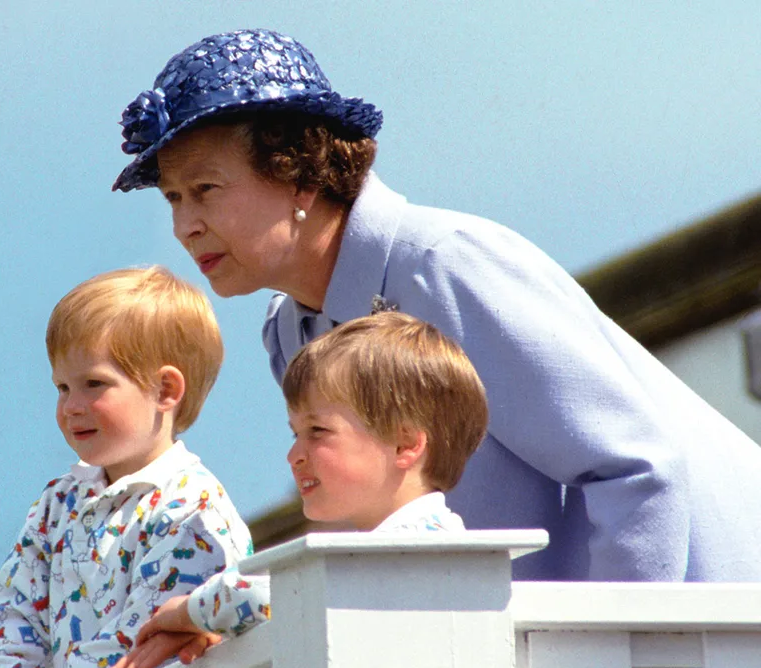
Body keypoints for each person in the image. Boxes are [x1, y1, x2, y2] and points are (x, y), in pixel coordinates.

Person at [112, 28, 761, 583]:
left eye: (205, 189)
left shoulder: (445, 263)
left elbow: (636, 467)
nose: (185, 226)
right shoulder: (291, 333)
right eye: (173, 198)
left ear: (299, 173)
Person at [105, 311, 489, 668]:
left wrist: (187, 612)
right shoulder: (394, 552)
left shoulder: (419, 545)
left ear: (405, 445)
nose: (294, 456)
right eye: (295, 434)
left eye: (317, 431)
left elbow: (270, 591)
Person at [0, 267, 253, 668]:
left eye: (93, 384)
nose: (71, 406)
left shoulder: (194, 508)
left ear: (165, 390)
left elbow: (145, 629)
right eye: (62, 388)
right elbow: (15, 603)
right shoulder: (59, 502)